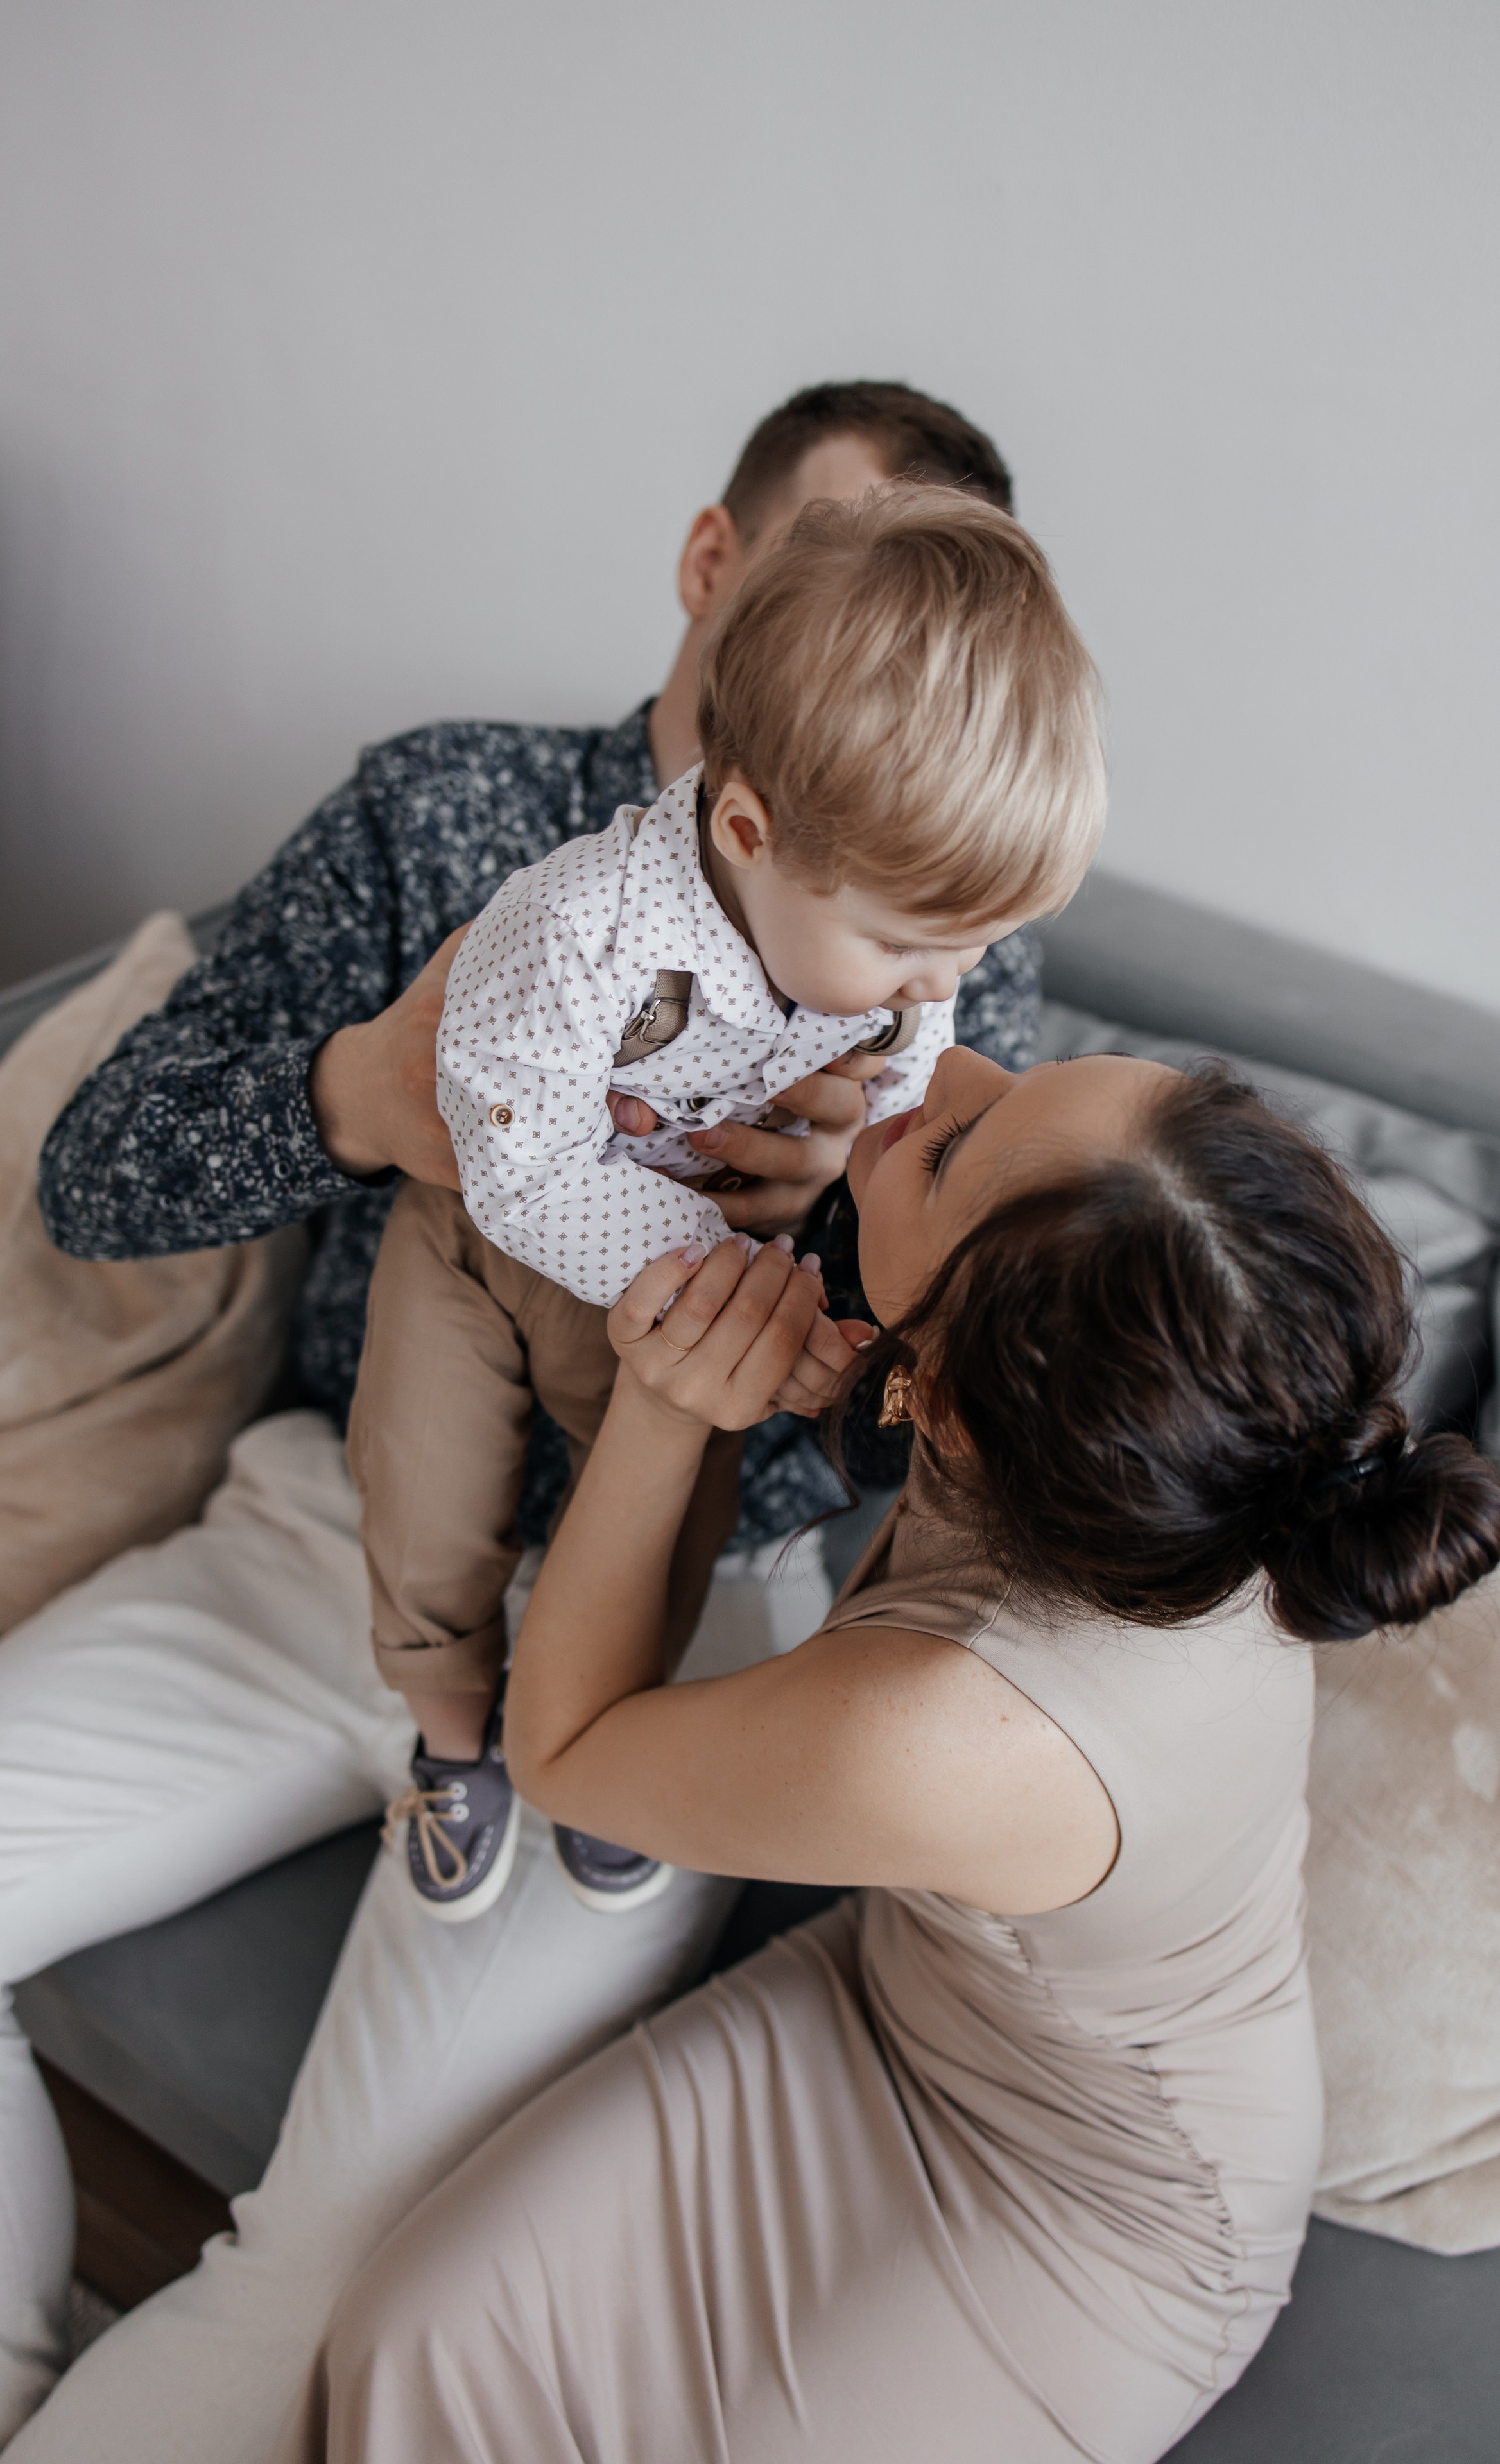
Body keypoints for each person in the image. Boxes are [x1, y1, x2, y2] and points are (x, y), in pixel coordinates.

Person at [0, 381, 1044, 2464]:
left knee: (347, 2262)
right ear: (714, 570)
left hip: (682, 1635)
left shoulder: (949, 933)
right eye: (835, 583)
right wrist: (366, 1094)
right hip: (330, 1538)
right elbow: (94, 1182)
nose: (876, 667)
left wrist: (844, 1245)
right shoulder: (450, 821)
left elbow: (945, 1457)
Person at [304, 1043, 1500, 2464]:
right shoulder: (1202, 1436)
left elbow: (564, 1754)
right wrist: (850, 1193)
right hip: (909, 2005)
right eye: (1017, 1081)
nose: (948, 1063)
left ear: (942, 1401)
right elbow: (900, 1355)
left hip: (1093, 2223)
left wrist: (665, 1398)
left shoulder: (953, 1733)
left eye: (954, 1147)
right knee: (414, 2346)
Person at [359, 486, 1103, 1921]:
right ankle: (453, 1737)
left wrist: (855, 1236)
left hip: (674, 1265)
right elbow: (517, 1172)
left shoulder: (892, 957)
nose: (932, 987)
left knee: (666, 1500)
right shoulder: (573, 932)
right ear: (748, 831)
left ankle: (609, 1733)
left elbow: (906, 1082)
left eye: (971, 947)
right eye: (902, 943)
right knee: (425, 1477)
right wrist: (721, 1263)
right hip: (487, 1236)